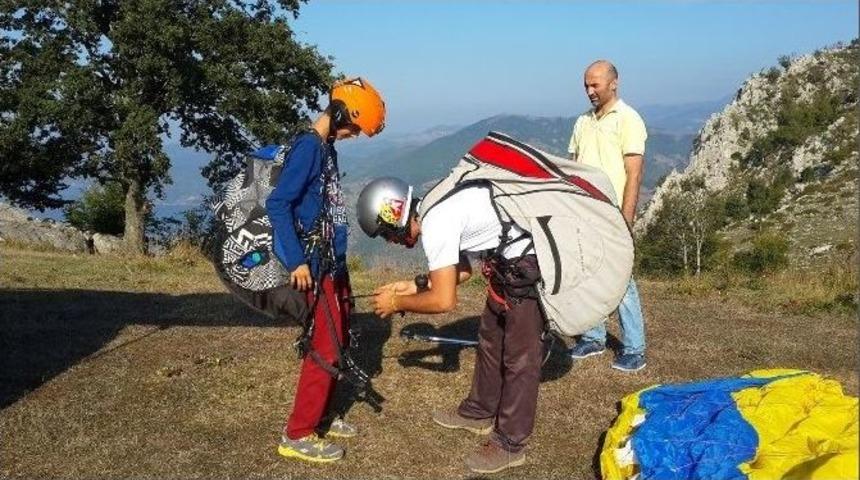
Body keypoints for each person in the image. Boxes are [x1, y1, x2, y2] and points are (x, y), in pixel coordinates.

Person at [357, 177, 543, 475]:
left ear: (393, 217)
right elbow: (466, 268)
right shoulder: (433, 207)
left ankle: (511, 444)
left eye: (385, 234)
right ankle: (479, 411)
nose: (390, 241)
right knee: (490, 341)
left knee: (520, 358)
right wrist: (409, 288)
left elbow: (444, 300)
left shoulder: (436, 223)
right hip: (506, 263)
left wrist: (397, 304)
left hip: (525, 265)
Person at [267, 77, 385, 462]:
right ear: (338, 115)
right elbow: (278, 204)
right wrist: (296, 260)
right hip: (313, 265)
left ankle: (320, 417)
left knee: (339, 339)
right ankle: (298, 433)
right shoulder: (308, 149)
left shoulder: (326, 148)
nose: (352, 135)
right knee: (325, 346)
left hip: (332, 262)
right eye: (353, 127)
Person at [567, 60, 648, 372]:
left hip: (613, 215)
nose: (589, 91)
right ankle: (594, 336)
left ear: (613, 83)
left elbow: (634, 174)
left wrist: (625, 222)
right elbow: (572, 168)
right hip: (583, 214)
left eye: (595, 85)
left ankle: (635, 348)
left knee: (621, 281)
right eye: (586, 85)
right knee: (588, 276)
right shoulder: (582, 122)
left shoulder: (628, 119)